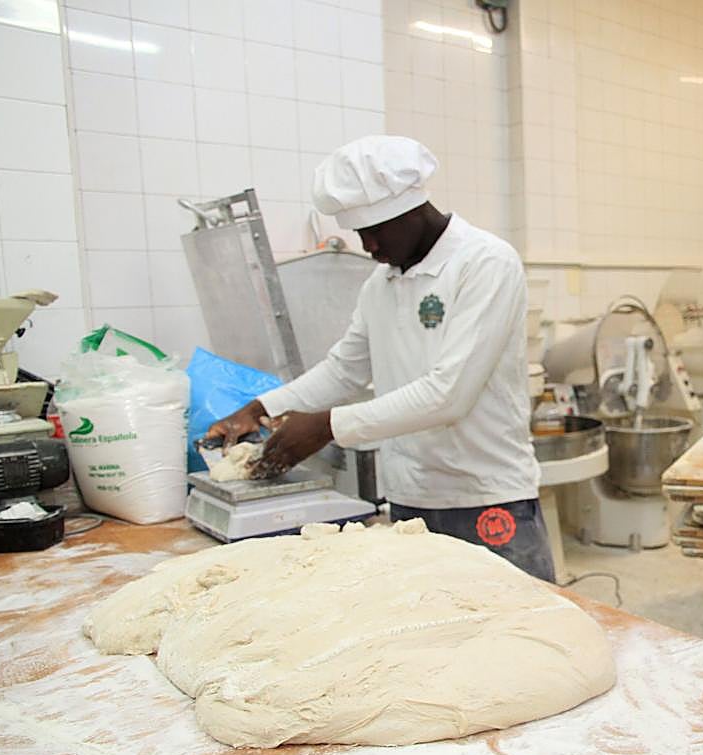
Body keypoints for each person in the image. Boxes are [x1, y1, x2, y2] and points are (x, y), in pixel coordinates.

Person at [206, 135, 555, 583]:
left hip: (485, 498)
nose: (367, 245)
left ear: (411, 211)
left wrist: (327, 426)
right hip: (410, 500)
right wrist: (261, 408)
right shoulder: (380, 286)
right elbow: (343, 370)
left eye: (374, 230)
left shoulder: (485, 263)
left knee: (516, 619)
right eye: (359, 233)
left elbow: (449, 395)